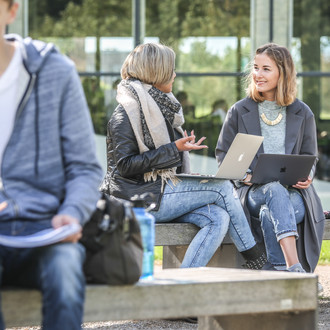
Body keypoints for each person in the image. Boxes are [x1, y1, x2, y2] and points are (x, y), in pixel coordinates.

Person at [100, 42, 267, 270]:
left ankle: (184, 282)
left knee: (218, 217)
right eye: (171, 70)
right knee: (222, 187)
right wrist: (174, 150)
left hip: (158, 192)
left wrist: (183, 168)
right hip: (137, 199)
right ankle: (257, 259)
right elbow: (125, 166)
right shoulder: (126, 113)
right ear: (155, 72)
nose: (175, 74)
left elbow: (162, 161)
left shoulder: (157, 108)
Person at [0, 1, 103, 329]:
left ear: (11, 10)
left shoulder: (54, 71)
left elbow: (85, 167)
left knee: (65, 271)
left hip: (45, 229)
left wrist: (71, 212)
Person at [216, 43, 325, 275]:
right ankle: (295, 269)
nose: (258, 74)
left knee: (270, 212)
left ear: (282, 73)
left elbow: (310, 155)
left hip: (296, 195)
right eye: (255, 67)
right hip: (254, 193)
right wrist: (244, 176)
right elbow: (223, 155)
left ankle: (276, 271)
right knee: (273, 190)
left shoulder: (302, 112)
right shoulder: (239, 111)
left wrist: (309, 175)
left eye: (266, 69)